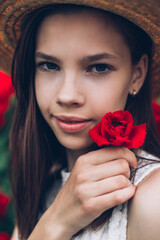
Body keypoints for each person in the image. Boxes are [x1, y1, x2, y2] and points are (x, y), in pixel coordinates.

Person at [1, 0, 160, 239]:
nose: (67, 95)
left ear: (137, 75)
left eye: (98, 68)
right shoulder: (46, 182)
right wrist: (56, 221)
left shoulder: (152, 198)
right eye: (49, 65)